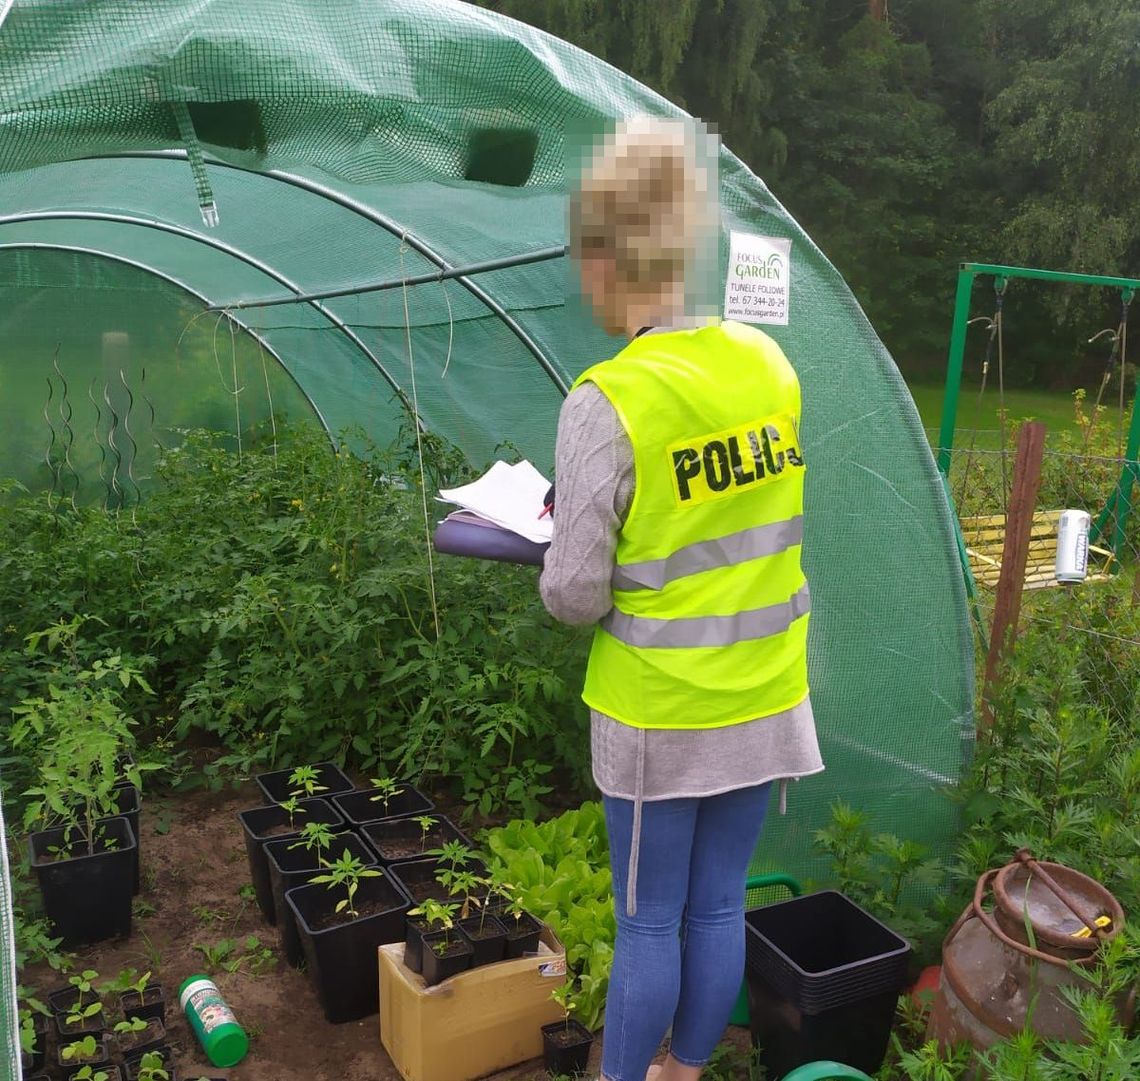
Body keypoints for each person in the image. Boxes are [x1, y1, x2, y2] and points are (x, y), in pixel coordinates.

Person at [538, 118, 824, 1081]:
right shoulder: (769, 367)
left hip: (659, 712)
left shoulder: (607, 401)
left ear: (610, 259)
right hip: (765, 694)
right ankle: (686, 1068)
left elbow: (576, 594)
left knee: (649, 918)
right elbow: (729, 524)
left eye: (584, 261)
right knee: (717, 904)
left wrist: (551, 536)